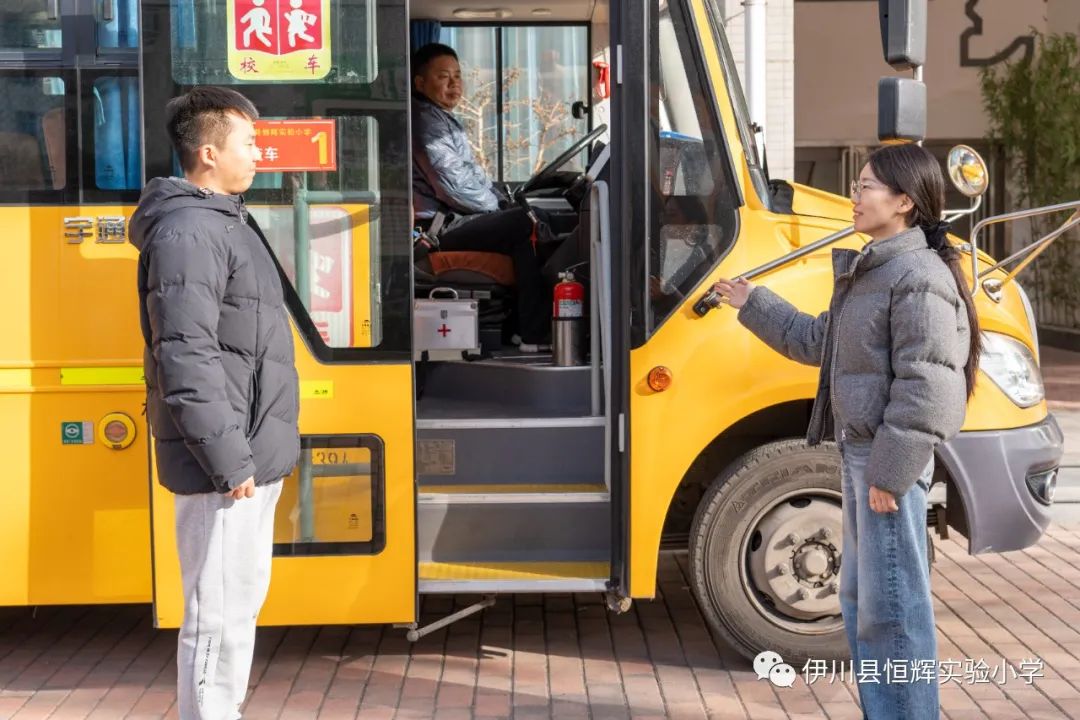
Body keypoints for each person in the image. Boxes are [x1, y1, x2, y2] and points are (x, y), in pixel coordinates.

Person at [712, 144, 980, 720]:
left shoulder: (917, 276)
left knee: (893, 608)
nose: (854, 197)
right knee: (865, 602)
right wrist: (751, 300)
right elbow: (816, 341)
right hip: (860, 454)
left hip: (884, 463)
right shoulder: (875, 268)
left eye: (866, 187)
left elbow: (928, 385)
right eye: (856, 185)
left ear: (905, 201)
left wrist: (889, 471)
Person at [130, 86, 300, 720]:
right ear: (207, 153)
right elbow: (185, 355)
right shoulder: (191, 232)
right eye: (249, 143)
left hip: (245, 456)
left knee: (238, 602)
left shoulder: (223, 220)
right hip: (223, 465)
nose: (260, 154)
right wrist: (230, 460)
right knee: (215, 610)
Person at [411, 42, 553, 349]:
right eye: (443, 76)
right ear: (419, 83)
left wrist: (501, 200)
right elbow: (455, 186)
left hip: (454, 219)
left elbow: (472, 176)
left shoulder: (439, 118)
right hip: (437, 230)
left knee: (526, 220)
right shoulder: (425, 123)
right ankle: (533, 332)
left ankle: (524, 329)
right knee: (522, 224)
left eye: (458, 76)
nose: (454, 83)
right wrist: (499, 207)